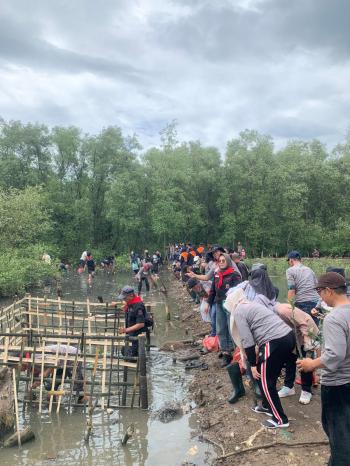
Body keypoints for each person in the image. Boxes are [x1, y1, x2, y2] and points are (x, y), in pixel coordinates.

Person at [297, 272, 350, 465]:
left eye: (319, 291)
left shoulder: (334, 318)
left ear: (329, 291)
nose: (319, 296)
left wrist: (311, 364)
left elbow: (335, 355)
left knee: (339, 434)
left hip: (338, 385)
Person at [229, 288, 296, 428]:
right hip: (288, 336)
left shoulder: (239, 311)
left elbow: (247, 340)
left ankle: (280, 419)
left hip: (275, 341)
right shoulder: (252, 304)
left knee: (266, 382)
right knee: (265, 374)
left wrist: (252, 364)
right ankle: (266, 406)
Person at [207, 253, 241, 368]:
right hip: (219, 303)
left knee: (232, 328)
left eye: (223, 261)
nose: (221, 262)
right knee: (220, 328)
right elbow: (212, 290)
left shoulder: (234, 275)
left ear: (228, 261)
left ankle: (237, 351)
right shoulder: (217, 275)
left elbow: (238, 291)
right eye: (219, 261)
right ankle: (226, 353)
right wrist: (208, 303)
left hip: (230, 304)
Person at [117, 286, 146, 356]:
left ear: (131, 295)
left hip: (137, 335)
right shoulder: (130, 304)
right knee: (125, 352)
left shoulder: (138, 306)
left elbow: (141, 324)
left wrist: (125, 330)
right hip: (130, 334)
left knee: (133, 356)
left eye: (125, 298)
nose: (124, 299)